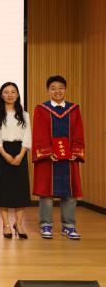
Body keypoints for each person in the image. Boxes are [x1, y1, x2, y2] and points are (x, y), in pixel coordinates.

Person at [32, 75, 85, 240]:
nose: (57, 91)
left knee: (70, 192)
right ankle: (45, 225)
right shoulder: (41, 109)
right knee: (46, 193)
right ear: (48, 91)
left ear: (65, 89)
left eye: (61, 88)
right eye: (53, 88)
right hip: (48, 159)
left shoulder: (74, 109)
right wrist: (48, 152)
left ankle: (68, 226)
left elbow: (78, 132)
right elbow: (39, 134)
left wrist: (75, 151)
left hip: (69, 159)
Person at [0, 82, 31, 239]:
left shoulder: (24, 115)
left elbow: (27, 136)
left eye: (13, 92)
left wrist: (21, 155)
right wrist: (5, 154)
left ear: (18, 95)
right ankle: (6, 225)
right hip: (2, 152)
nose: (10, 95)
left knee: (20, 191)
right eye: (6, 92)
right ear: (1, 95)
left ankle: (19, 224)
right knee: (4, 190)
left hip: (20, 151)